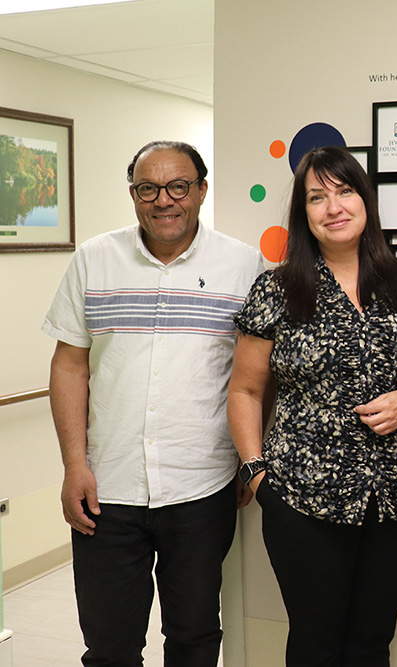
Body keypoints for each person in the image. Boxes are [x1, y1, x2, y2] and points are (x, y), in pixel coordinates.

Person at [227, 146, 397, 666]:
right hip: (300, 500)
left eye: (344, 190)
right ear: (303, 214)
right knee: (315, 645)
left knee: (371, 645)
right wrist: (256, 474)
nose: (333, 206)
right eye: (317, 197)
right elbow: (244, 390)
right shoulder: (277, 289)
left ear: (365, 200)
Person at [42, 140, 264, 666]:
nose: (164, 200)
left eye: (179, 186)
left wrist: (248, 458)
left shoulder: (244, 266)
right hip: (107, 488)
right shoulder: (95, 260)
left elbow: (256, 379)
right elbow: (69, 366)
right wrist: (75, 465)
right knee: (110, 646)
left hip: (202, 485)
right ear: (134, 194)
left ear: (201, 191)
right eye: (149, 188)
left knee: (193, 637)